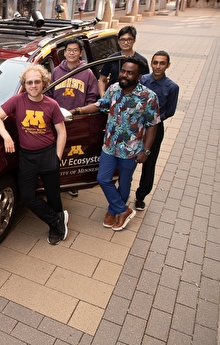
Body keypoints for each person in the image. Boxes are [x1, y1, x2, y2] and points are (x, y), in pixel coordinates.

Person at [70, 57, 159, 231]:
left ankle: (113, 211)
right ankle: (122, 210)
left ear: (139, 76)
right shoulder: (113, 89)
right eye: (123, 71)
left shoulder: (149, 97)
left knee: (124, 183)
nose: (124, 75)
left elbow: (153, 124)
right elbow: (99, 105)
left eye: (130, 73)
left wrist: (146, 150)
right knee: (103, 179)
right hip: (109, 146)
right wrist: (76, 111)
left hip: (131, 150)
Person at [0, 64, 69, 245]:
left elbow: (62, 132)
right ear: (24, 85)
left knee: (53, 194)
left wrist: (57, 157)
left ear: (43, 83)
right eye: (29, 83)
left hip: (48, 153)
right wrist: (7, 137)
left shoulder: (52, 104)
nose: (33, 85)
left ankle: (55, 228)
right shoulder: (17, 100)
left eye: (37, 82)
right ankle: (56, 220)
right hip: (27, 156)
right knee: (26, 196)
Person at [47, 38, 99, 197]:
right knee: (56, 150)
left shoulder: (87, 72)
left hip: (76, 119)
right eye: (69, 50)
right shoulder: (56, 71)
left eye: (75, 50)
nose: (71, 53)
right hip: (57, 119)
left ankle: (71, 182)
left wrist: (82, 113)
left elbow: (92, 97)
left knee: (73, 152)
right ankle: (54, 180)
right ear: (64, 52)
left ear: (81, 53)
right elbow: (49, 93)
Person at [134, 51, 179, 210]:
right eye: (155, 63)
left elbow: (170, 110)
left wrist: (153, 120)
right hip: (135, 126)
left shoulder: (172, 87)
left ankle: (141, 196)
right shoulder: (142, 80)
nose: (158, 66)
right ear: (151, 64)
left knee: (149, 162)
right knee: (129, 159)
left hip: (155, 128)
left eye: (162, 63)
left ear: (168, 65)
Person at [98, 26, 149, 97]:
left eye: (129, 39)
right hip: (113, 98)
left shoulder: (142, 60)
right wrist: (103, 96)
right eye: (122, 40)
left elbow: (146, 82)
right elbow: (102, 80)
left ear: (134, 40)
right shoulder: (111, 59)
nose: (125, 42)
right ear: (118, 41)